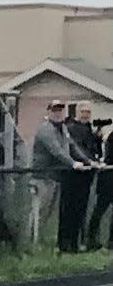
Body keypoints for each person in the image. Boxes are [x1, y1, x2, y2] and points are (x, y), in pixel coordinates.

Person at [30, 99, 95, 250]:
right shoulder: (45, 129)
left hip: (56, 177)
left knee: (51, 214)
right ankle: (31, 245)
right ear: (48, 111)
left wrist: (88, 161)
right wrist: (73, 163)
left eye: (60, 110)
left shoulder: (63, 128)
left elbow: (72, 145)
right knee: (39, 213)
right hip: (42, 177)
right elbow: (56, 150)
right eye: (55, 110)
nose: (58, 113)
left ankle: (46, 245)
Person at [65, 101, 102, 248]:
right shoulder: (73, 128)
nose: (86, 115)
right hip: (77, 173)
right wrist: (90, 161)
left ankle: (81, 240)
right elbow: (78, 149)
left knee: (83, 207)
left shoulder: (88, 128)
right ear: (78, 113)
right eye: (83, 112)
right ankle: (74, 242)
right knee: (75, 208)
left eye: (88, 112)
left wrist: (97, 138)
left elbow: (93, 148)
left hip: (88, 172)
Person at [86, 127, 113, 250]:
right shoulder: (111, 137)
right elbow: (109, 157)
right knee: (100, 209)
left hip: (107, 177)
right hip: (108, 179)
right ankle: (91, 239)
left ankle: (110, 241)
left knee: (101, 209)